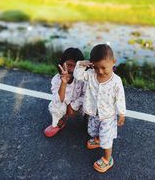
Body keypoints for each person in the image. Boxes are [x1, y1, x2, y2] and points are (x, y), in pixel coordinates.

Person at [74, 44, 126, 173]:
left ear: (113, 62)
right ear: (92, 65)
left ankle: (108, 158)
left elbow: (120, 98)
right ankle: (97, 140)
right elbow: (77, 76)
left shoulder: (116, 81)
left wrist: (122, 113)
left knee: (106, 137)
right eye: (96, 67)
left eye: (104, 67)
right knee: (94, 130)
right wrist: (81, 64)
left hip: (108, 116)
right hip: (93, 113)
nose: (100, 71)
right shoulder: (91, 75)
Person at [44, 47, 84, 137]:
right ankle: (59, 121)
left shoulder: (83, 78)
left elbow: (87, 95)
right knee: (55, 105)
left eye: (76, 66)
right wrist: (64, 82)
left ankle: (89, 121)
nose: (72, 69)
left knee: (96, 100)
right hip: (64, 105)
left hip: (80, 105)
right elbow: (59, 99)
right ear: (62, 64)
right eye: (69, 65)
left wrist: (74, 105)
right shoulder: (56, 79)